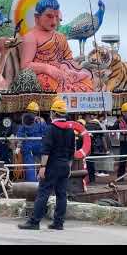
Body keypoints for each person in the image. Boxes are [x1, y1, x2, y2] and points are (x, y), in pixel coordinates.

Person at [18, 99, 75, 230]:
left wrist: (42, 167)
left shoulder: (51, 129)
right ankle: (58, 222)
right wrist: (69, 167)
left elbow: (46, 150)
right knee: (61, 194)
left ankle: (34, 222)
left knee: (43, 193)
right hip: (65, 165)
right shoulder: (71, 130)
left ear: (54, 113)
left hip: (52, 166)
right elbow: (72, 151)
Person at [20, 0, 93, 92]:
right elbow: (25, 65)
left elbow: (69, 60)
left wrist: (67, 69)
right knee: (45, 81)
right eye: (49, 16)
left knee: (86, 80)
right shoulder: (31, 37)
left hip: (63, 74)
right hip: (44, 76)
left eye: (56, 17)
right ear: (37, 17)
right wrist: (47, 68)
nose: (54, 21)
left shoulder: (60, 37)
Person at [15, 101, 48, 181]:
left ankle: (32, 184)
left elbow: (20, 135)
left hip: (28, 148)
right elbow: (46, 134)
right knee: (43, 165)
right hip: (40, 147)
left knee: (30, 166)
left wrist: (18, 147)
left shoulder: (25, 121)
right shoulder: (42, 121)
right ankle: (43, 182)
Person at [85, 114, 109, 183]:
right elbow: (103, 138)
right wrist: (106, 148)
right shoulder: (98, 126)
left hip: (87, 146)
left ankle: (87, 179)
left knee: (88, 163)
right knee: (93, 162)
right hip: (96, 147)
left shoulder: (85, 126)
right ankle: (92, 179)